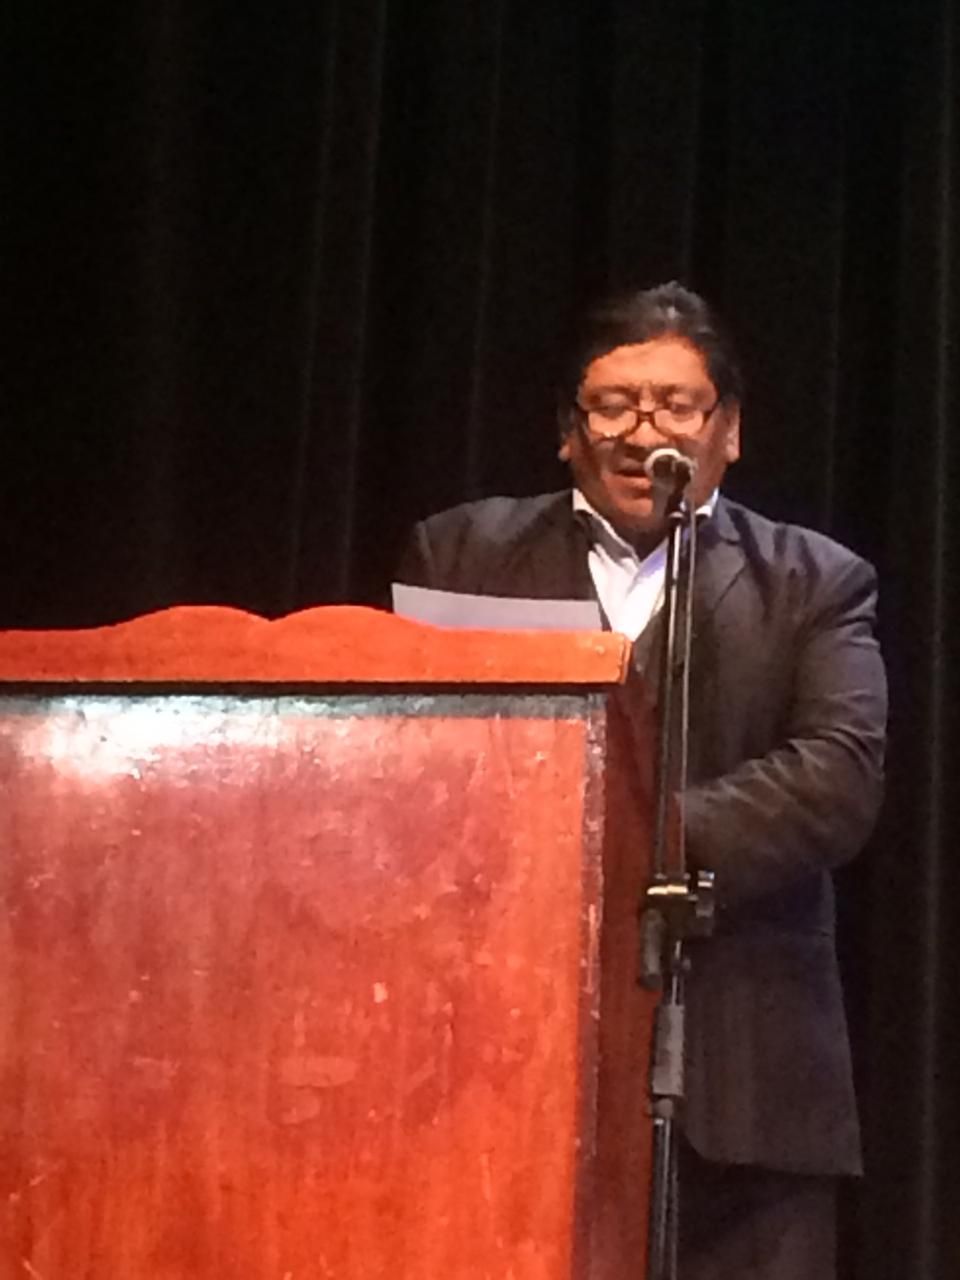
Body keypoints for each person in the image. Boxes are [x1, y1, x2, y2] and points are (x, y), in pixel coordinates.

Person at [395, 282, 887, 1279]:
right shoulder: (463, 555)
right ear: (568, 430)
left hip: (746, 1084)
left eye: (676, 404)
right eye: (613, 405)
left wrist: (630, 834)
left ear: (729, 430)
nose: (644, 431)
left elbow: (838, 776)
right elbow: (414, 768)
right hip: (505, 1063)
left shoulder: (816, 579)